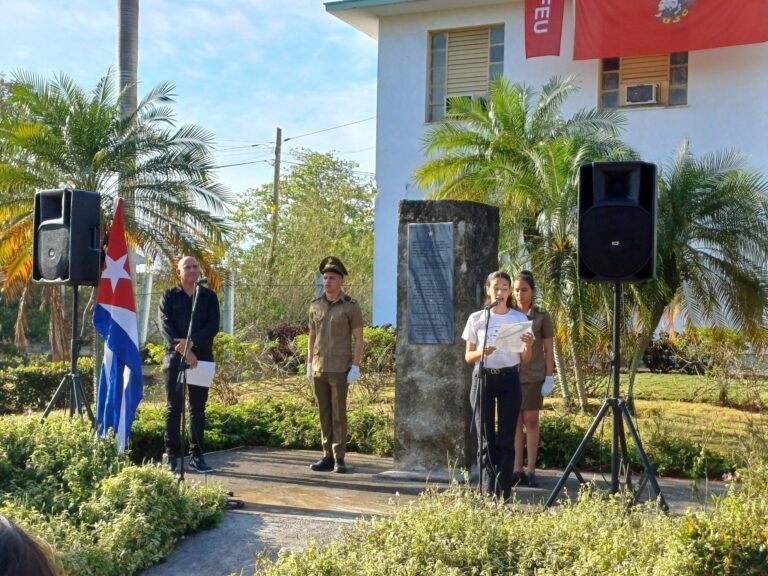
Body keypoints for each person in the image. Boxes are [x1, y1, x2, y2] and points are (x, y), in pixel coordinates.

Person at [462, 270, 533, 501]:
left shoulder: (519, 319)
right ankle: (486, 490)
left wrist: (529, 346)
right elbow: (468, 356)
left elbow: (525, 359)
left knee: (506, 439)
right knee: (486, 439)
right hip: (483, 379)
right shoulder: (477, 318)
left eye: (505, 287)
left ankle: (503, 494)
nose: (500, 291)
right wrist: (481, 352)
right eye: (496, 287)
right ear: (488, 290)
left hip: (509, 379)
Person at [159, 255, 220, 473]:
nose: (193, 270)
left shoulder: (208, 297)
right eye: (188, 267)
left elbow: (212, 326)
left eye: (195, 267)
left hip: (201, 359)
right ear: (179, 272)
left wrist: (192, 344)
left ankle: (197, 457)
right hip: (175, 360)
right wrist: (185, 352)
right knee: (174, 408)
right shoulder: (168, 296)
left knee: (198, 409)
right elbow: (165, 327)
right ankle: (173, 457)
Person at [306, 256, 364, 474]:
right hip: (320, 366)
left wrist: (356, 365)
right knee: (324, 412)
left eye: (331, 278)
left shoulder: (350, 307)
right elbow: (312, 336)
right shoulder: (315, 306)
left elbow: (359, 338)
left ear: (341, 281)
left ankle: (339, 457)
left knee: (339, 414)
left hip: (340, 368)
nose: (327, 281)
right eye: (325, 277)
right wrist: (309, 363)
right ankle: (326, 456)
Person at [512, 270, 555, 488]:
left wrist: (549, 377)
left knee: (531, 421)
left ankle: (531, 470)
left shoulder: (541, 317)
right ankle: (516, 469)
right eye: (517, 290)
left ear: (533, 291)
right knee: (515, 423)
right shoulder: (508, 314)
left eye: (524, 290)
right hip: (511, 375)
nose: (520, 294)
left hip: (534, 375)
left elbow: (549, 349)